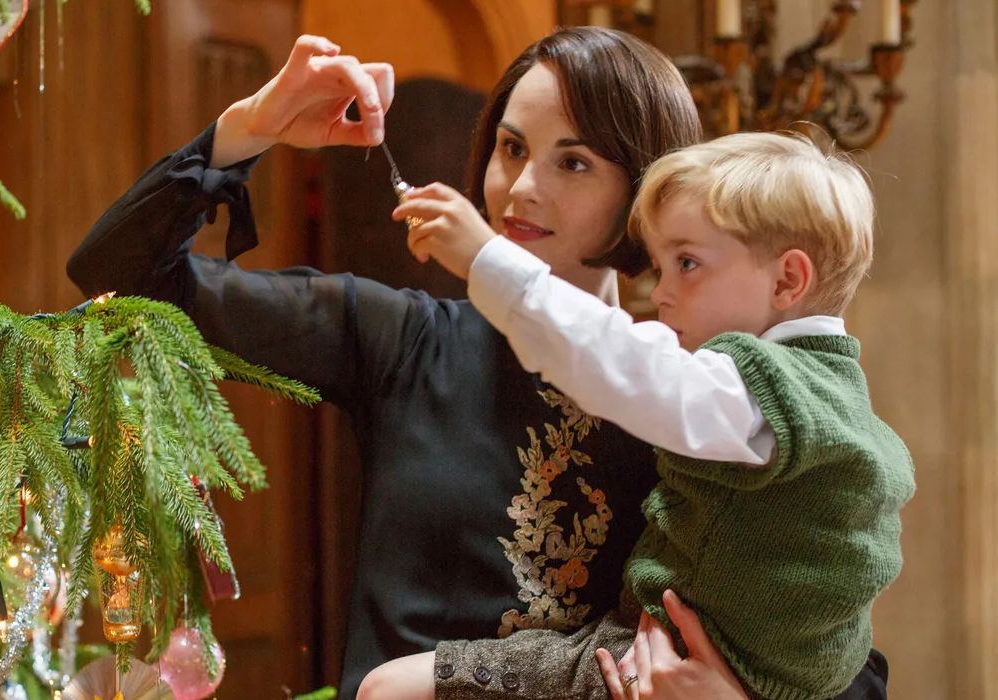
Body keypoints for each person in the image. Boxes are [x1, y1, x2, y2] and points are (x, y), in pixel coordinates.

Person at [67, 28, 888, 700]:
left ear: (643, 187)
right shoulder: (398, 336)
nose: (521, 187)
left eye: (573, 162)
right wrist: (252, 124)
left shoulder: (697, 385)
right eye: (508, 147)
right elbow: (124, 276)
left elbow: (834, 630)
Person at [362, 131, 913, 698]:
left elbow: (624, 362)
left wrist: (488, 261)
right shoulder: (832, 400)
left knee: (388, 688)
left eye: (688, 263)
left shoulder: (757, 396)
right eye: (659, 265)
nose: (663, 291)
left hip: (642, 669)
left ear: (788, 279)